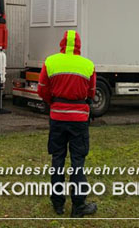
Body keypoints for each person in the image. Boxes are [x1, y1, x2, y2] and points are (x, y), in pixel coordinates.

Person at [38, 30, 97, 218]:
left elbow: (42, 90)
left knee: (57, 159)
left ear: (62, 43)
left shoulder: (51, 62)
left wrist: (54, 102)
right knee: (78, 162)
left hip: (57, 118)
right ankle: (78, 206)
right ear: (79, 45)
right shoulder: (88, 65)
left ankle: (57, 203)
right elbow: (91, 93)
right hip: (79, 120)